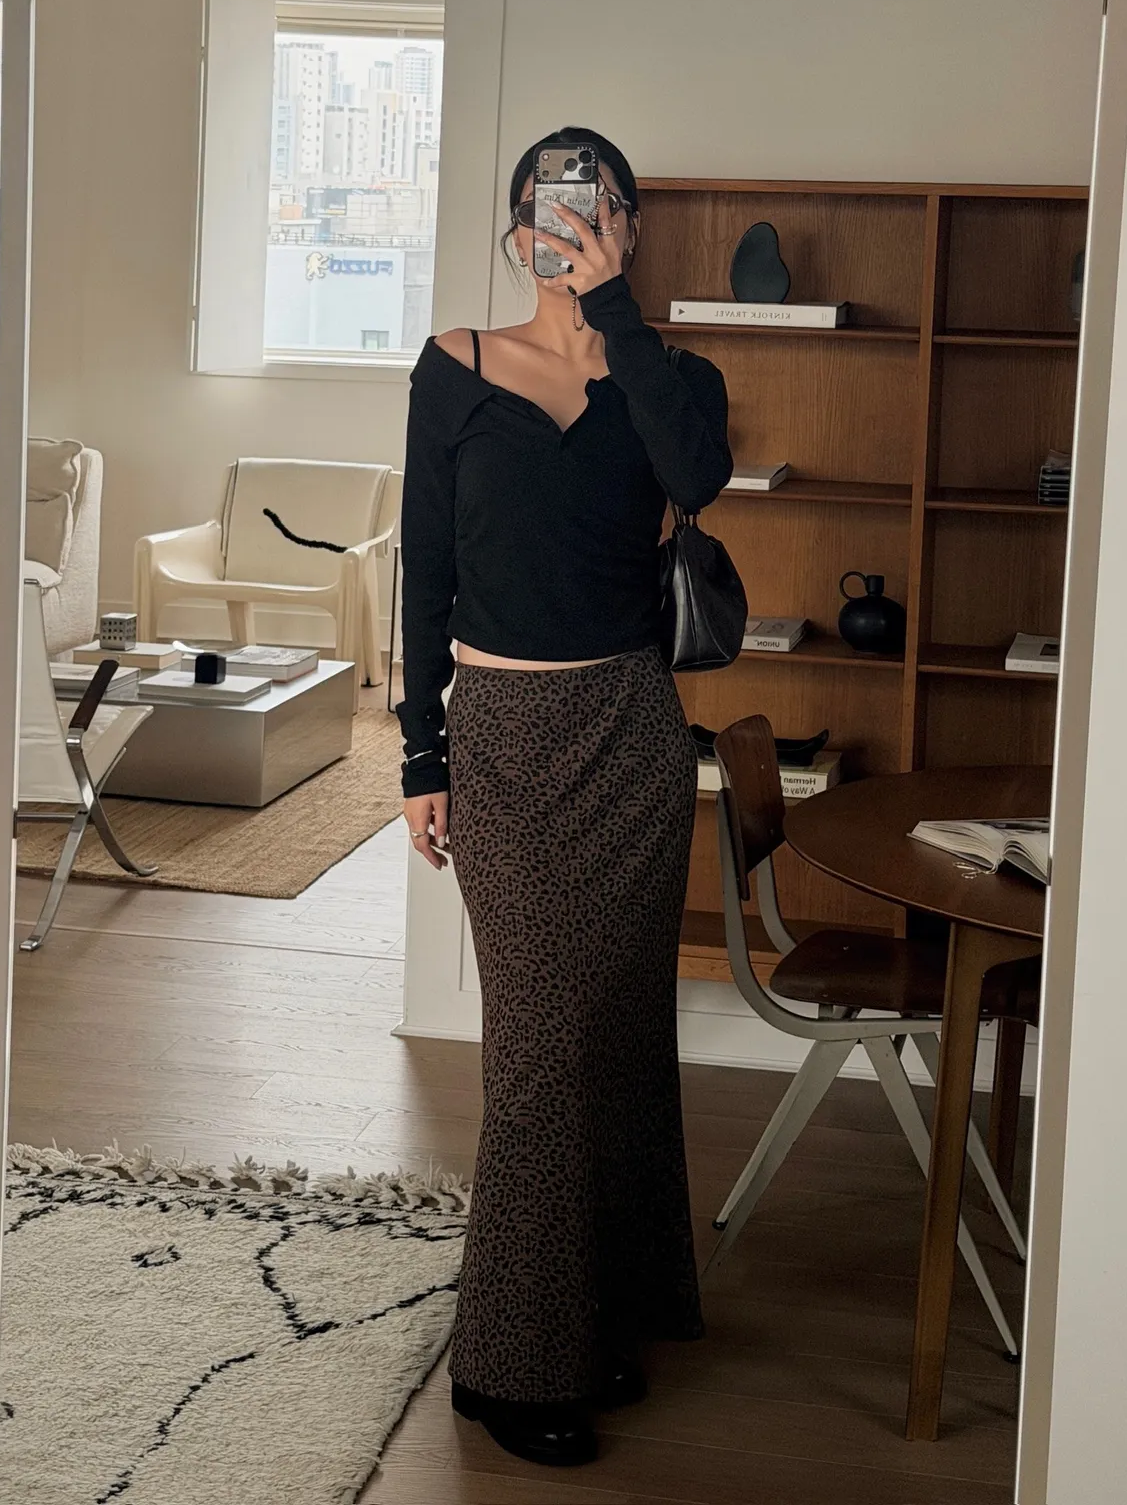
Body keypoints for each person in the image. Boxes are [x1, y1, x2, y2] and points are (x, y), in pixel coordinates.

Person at [397, 126, 732, 1467]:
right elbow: (426, 570)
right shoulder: (455, 368)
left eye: (594, 204)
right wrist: (419, 753)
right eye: (547, 200)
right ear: (516, 222)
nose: (569, 221)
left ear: (628, 226)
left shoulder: (671, 376)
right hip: (502, 743)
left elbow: (698, 479)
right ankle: (511, 1365)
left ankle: (606, 1312)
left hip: (632, 741)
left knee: (617, 1041)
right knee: (539, 1051)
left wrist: (615, 316)